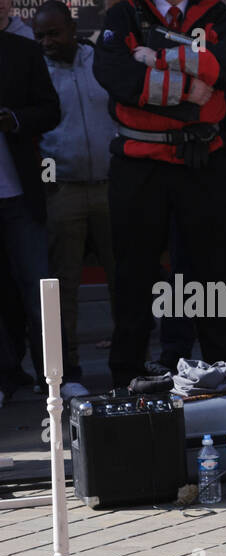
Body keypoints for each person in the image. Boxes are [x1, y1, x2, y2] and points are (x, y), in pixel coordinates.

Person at [93, 0, 226, 386]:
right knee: (135, 273)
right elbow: (116, 75)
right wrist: (190, 85)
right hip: (138, 163)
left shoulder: (216, 13)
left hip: (203, 161)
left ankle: (224, 370)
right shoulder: (123, 13)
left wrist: (155, 59)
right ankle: (127, 376)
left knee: (215, 274)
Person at [32, 0, 113, 394]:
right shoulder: (36, 72)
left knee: (126, 277)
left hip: (112, 187)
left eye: (53, 33)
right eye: (40, 36)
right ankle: (69, 371)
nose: (47, 42)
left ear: (70, 27)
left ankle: (128, 360)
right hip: (62, 188)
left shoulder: (101, 59)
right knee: (63, 286)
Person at [0, 23, 59, 401]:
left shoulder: (22, 51)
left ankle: (55, 377)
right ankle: (5, 378)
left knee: (40, 289)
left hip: (19, 193)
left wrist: (15, 119)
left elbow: (51, 110)